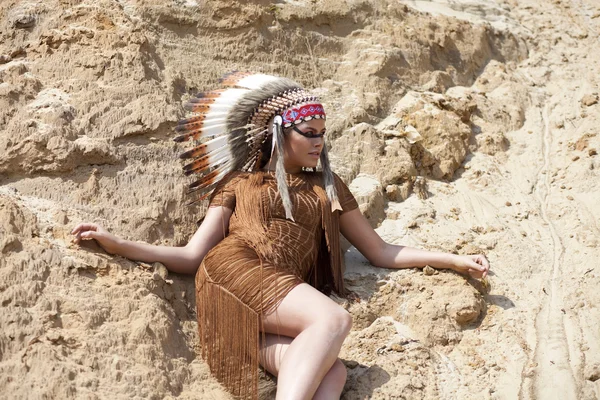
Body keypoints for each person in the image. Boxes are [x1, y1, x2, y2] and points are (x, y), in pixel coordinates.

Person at [72, 73, 489, 400]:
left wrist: (452, 259)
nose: (319, 141)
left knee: (335, 371)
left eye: (323, 133)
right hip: (234, 274)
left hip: (271, 307)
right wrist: (120, 244)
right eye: (309, 132)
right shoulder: (240, 183)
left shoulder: (329, 186)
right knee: (333, 318)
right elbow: (193, 254)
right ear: (278, 132)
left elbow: (380, 250)